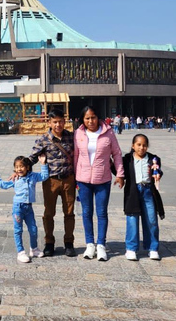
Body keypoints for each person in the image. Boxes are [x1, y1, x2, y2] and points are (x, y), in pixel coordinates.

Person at [73, 106, 125, 261]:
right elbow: (76, 156)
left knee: (102, 213)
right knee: (86, 212)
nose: (91, 121)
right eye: (87, 118)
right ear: (83, 120)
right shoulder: (78, 133)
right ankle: (90, 244)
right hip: (83, 180)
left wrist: (120, 174)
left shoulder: (108, 132)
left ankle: (101, 244)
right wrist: (75, 176)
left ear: (98, 118)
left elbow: (117, 153)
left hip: (103, 179)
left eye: (93, 117)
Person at [26, 108, 77, 257]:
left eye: (60, 121)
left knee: (69, 212)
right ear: (49, 122)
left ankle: (69, 243)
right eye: (55, 122)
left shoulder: (71, 137)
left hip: (68, 180)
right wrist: (20, 170)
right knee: (49, 213)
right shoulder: (43, 139)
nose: (58, 125)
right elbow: (32, 158)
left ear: (64, 122)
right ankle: (49, 242)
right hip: (51, 181)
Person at [0, 155, 49, 263]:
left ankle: (34, 249)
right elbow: (3, 185)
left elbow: (44, 176)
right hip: (18, 208)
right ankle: (20, 252)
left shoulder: (33, 176)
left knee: (33, 229)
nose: (19, 169)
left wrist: (43, 164)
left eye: (21, 166)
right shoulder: (15, 179)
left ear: (27, 167)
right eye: (16, 167)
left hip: (28, 208)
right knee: (18, 230)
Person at [121, 133, 164, 261]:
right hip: (133, 191)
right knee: (132, 220)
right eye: (138, 145)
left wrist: (158, 174)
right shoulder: (127, 159)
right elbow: (119, 171)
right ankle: (131, 248)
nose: (141, 148)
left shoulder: (153, 159)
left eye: (144, 145)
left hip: (148, 191)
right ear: (133, 146)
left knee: (151, 220)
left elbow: (158, 171)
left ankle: (152, 248)